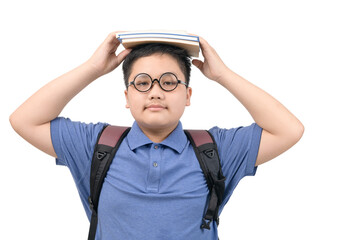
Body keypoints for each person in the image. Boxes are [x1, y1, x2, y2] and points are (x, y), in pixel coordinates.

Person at [9, 31, 304, 239]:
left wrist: (222, 75)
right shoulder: (96, 146)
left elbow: (289, 129)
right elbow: (24, 120)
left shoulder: (216, 150)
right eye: (142, 82)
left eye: (168, 82)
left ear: (187, 95)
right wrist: (93, 68)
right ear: (127, 96)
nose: (155, 92)